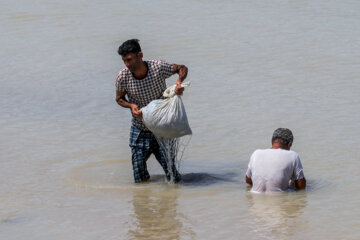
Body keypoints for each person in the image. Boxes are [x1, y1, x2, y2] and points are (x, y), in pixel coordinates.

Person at [115, 39, 188, 183]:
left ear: (140, 55)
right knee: (139, 174)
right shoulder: (122, 77)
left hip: (162, 128)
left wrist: (179, 82)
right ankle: (142, 203)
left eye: (129, 60)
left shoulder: (158, 67)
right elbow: (119, 99)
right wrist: (131, 106)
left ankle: (172, 203)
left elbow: (182, 68)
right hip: (140, 127)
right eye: (124, 61)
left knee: (171, 174)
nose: (127, 64)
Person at [245, 128, 306, 192]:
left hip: (255, 200)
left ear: (271, 141)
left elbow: (248, 180)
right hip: (279, 200)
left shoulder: (256, 153)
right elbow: (301, 186)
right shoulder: (293, 155)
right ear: (289, 144)